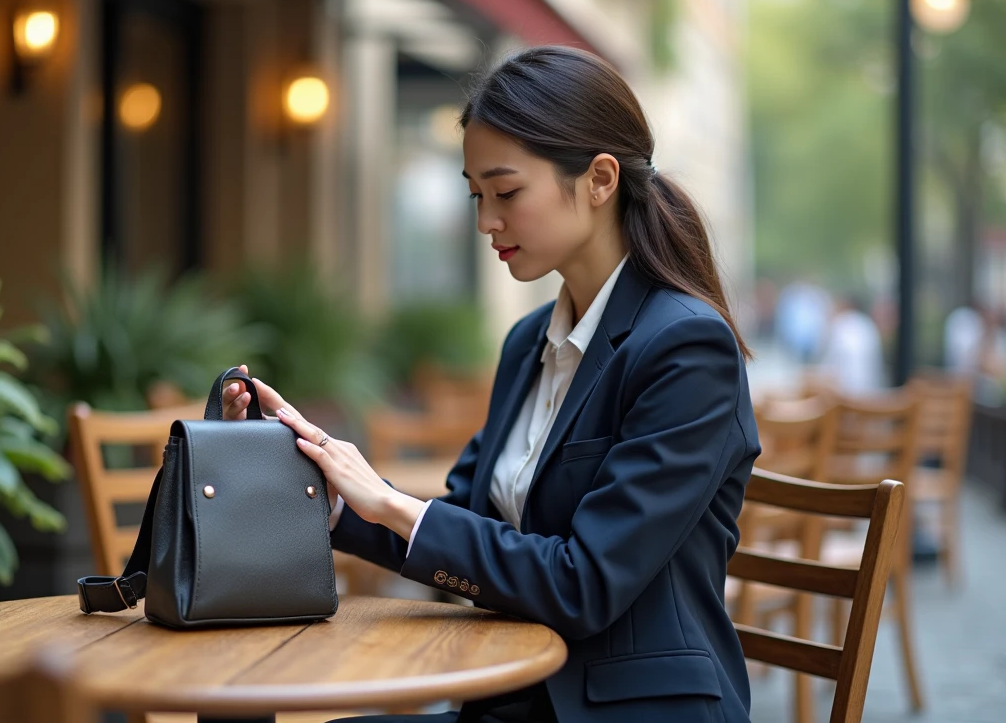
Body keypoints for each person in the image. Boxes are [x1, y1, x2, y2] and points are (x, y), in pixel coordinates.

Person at [223, 46, 760, 723]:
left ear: (599, 179)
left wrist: (389, 504)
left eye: (506, 193)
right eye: (477, 196)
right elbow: (471, 526)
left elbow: (584, 584)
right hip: (509, 695)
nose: (485, 223)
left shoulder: (684, 348)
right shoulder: (528, 342)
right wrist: (322, 487)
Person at [818, 294, 884, 395]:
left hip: (843, 397)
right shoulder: (868, 325)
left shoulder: (840, 325)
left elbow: (827, 368)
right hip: (871, 394)